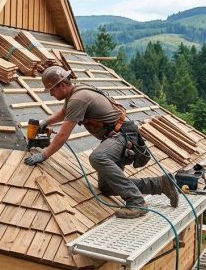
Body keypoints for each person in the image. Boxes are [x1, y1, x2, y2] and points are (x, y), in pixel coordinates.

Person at [23, 66, 179, 219]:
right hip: (118, 136)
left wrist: (44, 155)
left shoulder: (78, 98)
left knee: (97, 157)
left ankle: (136, 201)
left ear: (62, 84)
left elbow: (63, 135)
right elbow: (65, 113)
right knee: (107, 187)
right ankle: (160, 184)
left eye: (52, 90)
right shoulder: (75, 94)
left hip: (122, 135)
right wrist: (46, 122)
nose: (50, 94)